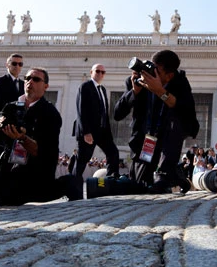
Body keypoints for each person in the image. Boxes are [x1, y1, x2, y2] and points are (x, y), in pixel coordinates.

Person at [0, 68, 67, 205]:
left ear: (45, 86)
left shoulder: (50, 113)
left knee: (10, 194)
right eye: (27, 78)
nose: (30, 82)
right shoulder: (12, 107)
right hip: (9, 158)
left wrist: (22, 138)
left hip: (35, 167)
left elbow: (42, 152)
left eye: (36, 79)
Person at [114, 50, 198, 193]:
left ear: (169, 75)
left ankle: (166, 173)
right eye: (152, 69)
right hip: (147, 138)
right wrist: (134, 91)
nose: (152, 74)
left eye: (157, 72)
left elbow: (186, 111)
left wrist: (159, 91)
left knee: (175, 121)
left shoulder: (179, 81)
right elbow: (117, 114)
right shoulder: (139, 80)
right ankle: (176, 175)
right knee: (139, 184)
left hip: (170, 133)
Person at [73, 64, 121, 179]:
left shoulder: (103, 89)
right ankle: (73, 184)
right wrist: (86, 132)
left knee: (113, 153)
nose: (100, 74)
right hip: (89, 131)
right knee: (82, 159)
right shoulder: (85, 86)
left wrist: (108, 133)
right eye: (97, 71)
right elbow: (81, 110)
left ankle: (111, 178)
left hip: (102, 131)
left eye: (103, 72)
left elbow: (105, 112)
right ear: (91, 72)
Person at [0, 54, 25, 122]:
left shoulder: (23, 84)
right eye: (14, 63)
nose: (17, 66)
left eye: (20, 64)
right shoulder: (0, 81)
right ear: (7, 65)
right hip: (2, 121)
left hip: (18, 122)